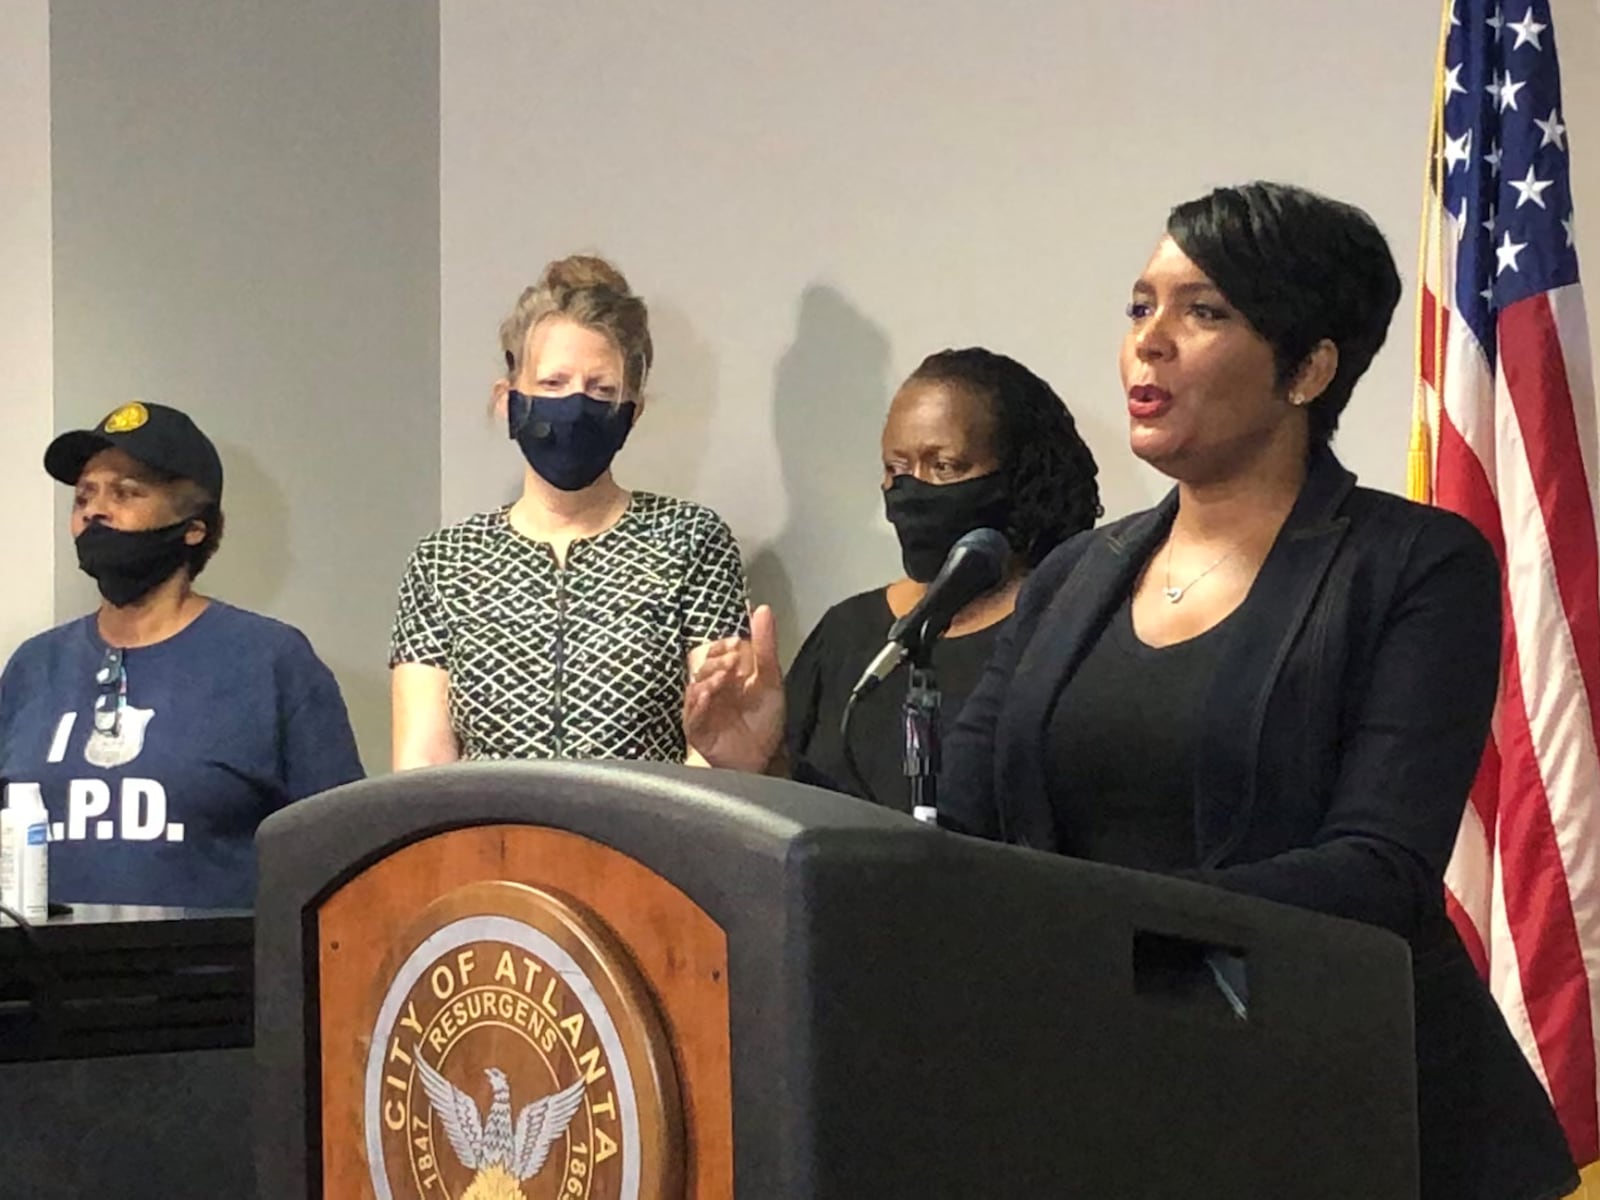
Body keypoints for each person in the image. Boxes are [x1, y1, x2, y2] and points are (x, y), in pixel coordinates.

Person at [684, 183, 1577, 1200]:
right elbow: (958, 851)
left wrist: (1082, 924)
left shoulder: (1411, 565)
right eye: (1139, 306)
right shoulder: (1073, 578)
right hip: (1113, 1109)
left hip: (1351, 1116)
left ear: (1308, 367)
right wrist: (774, 769)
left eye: (1203, 312)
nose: (1149, 342)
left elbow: (1375, 869)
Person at [0, 401, 363, 909]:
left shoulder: (270, 661)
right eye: (83, 496)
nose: (94, 511)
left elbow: (342, 854)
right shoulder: (33, 667)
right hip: (43, 981)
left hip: (209, 980)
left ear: (195, 526)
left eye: (126, 492)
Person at [390, 254, 748, 767]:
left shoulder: (691, 541)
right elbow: (423, 768)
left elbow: (716, 747)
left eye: (601, 390)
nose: (576, 406)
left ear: (632, 411)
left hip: (645, 843)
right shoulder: (442, 563)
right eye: (553, 385)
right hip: (487, 844)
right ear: (508, 399)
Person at [781, 348, 1100, 809]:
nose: (911, 488)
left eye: (943, 466)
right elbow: (793, 806)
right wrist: (759, 758)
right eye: (896, 468)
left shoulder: (1061, 633)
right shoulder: (847, 633)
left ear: (1018, 475)